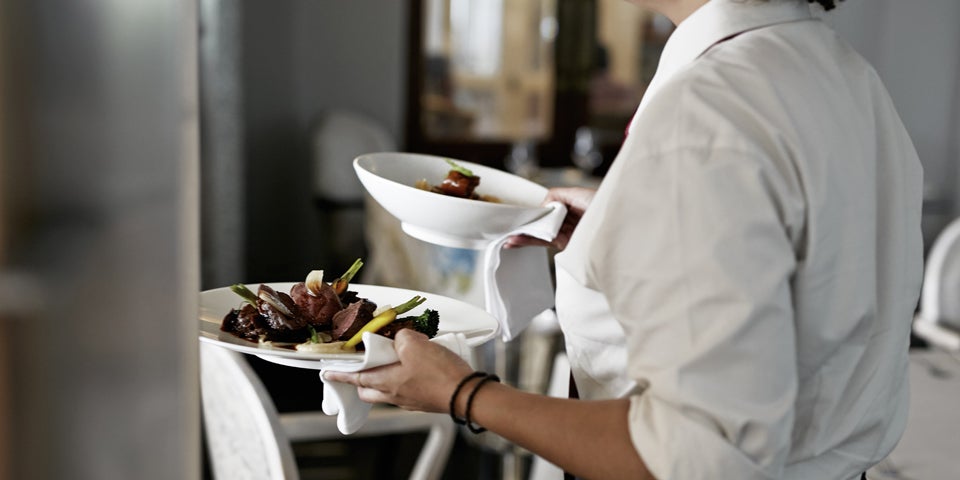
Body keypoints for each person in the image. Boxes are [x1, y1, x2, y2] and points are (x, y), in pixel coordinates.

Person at [325, 0, 924, 478]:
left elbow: (694, 457)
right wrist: (624, 233)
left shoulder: (707, 110)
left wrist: (462, 393)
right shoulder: (845, 74)